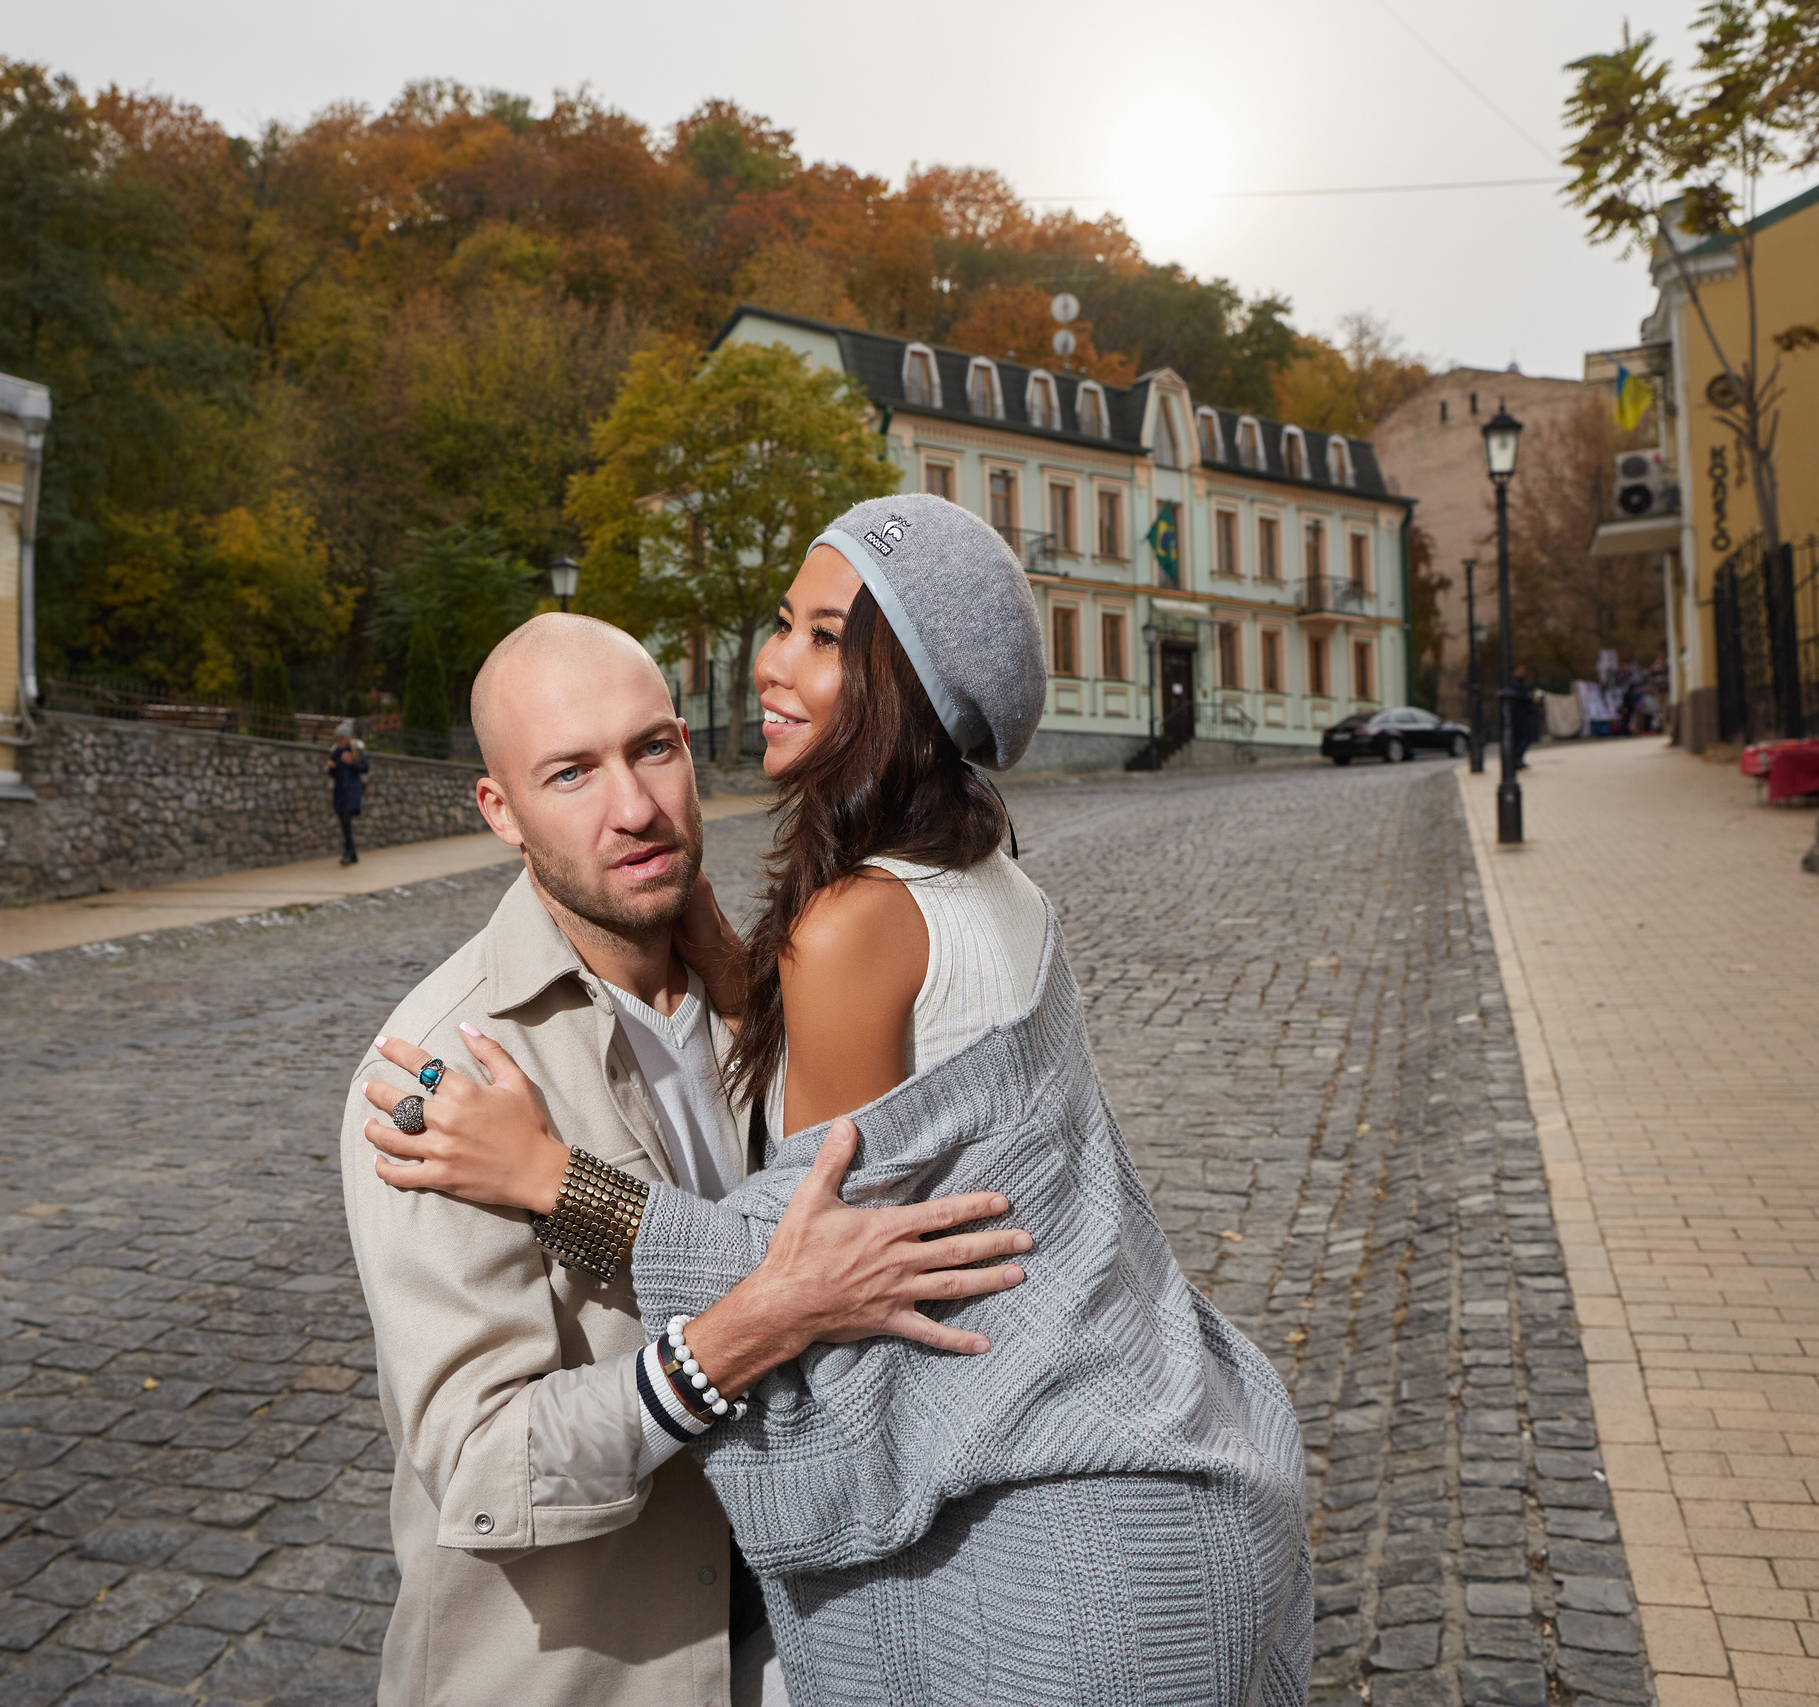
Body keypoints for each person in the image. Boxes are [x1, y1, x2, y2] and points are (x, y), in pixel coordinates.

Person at [364, 494, 1313, 1706]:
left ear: (899, 687)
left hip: (1067, 1579)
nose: (773, 662)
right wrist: (731, 958)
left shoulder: (849, 929)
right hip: (1170, 1496)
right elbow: (482, 1457)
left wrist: (551, 1182)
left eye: (825, 637)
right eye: (782, 623)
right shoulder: (982, 877)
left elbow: (800, 1264)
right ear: (498, 808)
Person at [339, 614, 1035, 1707]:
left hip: (798, 1646)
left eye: (651, 749)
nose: (634, 808)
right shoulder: (446, 1079)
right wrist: (756, 1326)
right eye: (570, 773)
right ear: (499, 812)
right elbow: (483, 1469)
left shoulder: (759, 996)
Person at [327, 720, 370, 866]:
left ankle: (348, 854)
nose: (339, 741)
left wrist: (351, 762)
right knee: (344, 823)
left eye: (342, 738)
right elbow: (334, 774)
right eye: (337, 738)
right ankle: (353, 854)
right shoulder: (335, 752)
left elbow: (365, 768)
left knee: (346, 821)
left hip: (352, 791)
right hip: (340, 792)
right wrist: (332, 767)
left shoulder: (355, 750)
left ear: (347, 738)